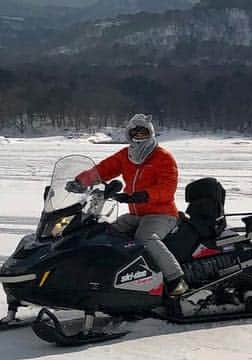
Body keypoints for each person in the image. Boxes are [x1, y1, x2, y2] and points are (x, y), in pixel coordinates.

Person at [68, 114, 189, 298]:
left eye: (143, 133)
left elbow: (167, 188)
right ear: (129, 135)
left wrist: (143, 196)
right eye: (135, 133)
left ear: (151, 134)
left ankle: (176, 280)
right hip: (136, 214)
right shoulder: (126, 155)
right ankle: (112, 280)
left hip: (162, 213)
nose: (139, 137)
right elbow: (104, 169)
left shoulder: (163, 157)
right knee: (107, 234)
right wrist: (81, 181)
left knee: (145, 238)